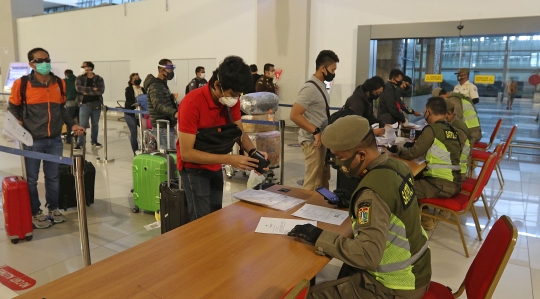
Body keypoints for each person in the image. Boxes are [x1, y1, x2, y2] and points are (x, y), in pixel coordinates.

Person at [287, 115, 431, 299]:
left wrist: (319, 236)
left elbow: (367, 256)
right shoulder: (398, 167)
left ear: (361, 154)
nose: (337, 163)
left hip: (394, 287)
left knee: (301, 296)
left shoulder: (371, 195)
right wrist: (353, 205)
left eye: (339, 157)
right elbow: (393, 210)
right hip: (417, 270)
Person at [178, 56, 267, 220]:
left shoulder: (230, 102)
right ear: (217, 84)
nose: (235, 98)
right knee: (201, 221)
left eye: (238, 95)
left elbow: (239, 132)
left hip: (215, 165)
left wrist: (254, 153)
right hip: (194, 169)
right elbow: (187, 153)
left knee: (216, 215)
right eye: (233, 94)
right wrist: (230, 159)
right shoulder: (192, 103)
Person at [8, 47, 86, 228]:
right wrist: (17, 122)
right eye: (40, 60)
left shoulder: (59, 83)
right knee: (32, 178)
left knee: (53, 177)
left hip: (55, 139)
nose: (45, 63)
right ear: (31, 64)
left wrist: (73, 124)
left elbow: (61, 109)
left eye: (47, 59)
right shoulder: (22, 84)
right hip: (32, 140)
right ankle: (35, 212)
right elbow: (13, 107)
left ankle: (53, 208)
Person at [387, 97, 462, 230]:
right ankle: (425, 213)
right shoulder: (452, 130)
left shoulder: (432, 129)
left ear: (428, 112)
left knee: (399, 188)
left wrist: (397, 150)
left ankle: (417, 223)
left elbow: (412, 154)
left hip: (440, 185)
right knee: (417, 178)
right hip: (455, 182)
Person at [290, 50, 339, 191]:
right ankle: (307, 210)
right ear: (323, 68)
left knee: (323, 180)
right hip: (313, 142)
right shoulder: (310, 88)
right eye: (332, 70)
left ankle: (322, 208)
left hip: (322, 140)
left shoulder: (321, 86)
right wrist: (315, 130)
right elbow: (295, 115)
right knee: (313, 183)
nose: (334, 73)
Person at [144, 59, 178, 150]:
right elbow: (158, 105)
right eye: (170, 69)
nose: (172, 71)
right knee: (167, 155)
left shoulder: (162, 84)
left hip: (166, 126)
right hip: (162, 127)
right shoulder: (155, 85)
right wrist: (174, 113)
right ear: (162, 70)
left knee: (170, 153)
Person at [75, 61, 105, 149]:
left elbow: (101, 91)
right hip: (84, 105)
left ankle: (94, 141)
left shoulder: (99, 79)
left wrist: (86, 92)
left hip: (97, 105)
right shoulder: (79, 78)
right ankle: (79, 143)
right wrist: (92, 89)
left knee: (95, 125)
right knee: (82, 125)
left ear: (90, 68)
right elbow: (78, 88)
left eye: (83, 66)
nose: (82, 68)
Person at [444, 97, 471, 182]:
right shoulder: (454, 122)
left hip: (457, 175)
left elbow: (455, 153)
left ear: (448, 113)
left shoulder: (457, 128)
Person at [125, 73, 146, 155]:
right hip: (131, 113)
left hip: (142, 113)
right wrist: (137, 103)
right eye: (135, 78)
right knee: (134, 134)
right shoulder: (129, 89)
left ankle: (145, 149)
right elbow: (129, 101)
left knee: (145, 132)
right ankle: (135, 152)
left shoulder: (143, 89)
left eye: (138, 78)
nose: (137, 79)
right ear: (131, 81)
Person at [64, 69, 78, 144]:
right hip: (79, 102)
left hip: (69, 103)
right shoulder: (77, 80)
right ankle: (78, 138)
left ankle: (69, 138)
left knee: (69, 121)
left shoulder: (64, 81)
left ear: (65, 74)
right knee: (78, 122)